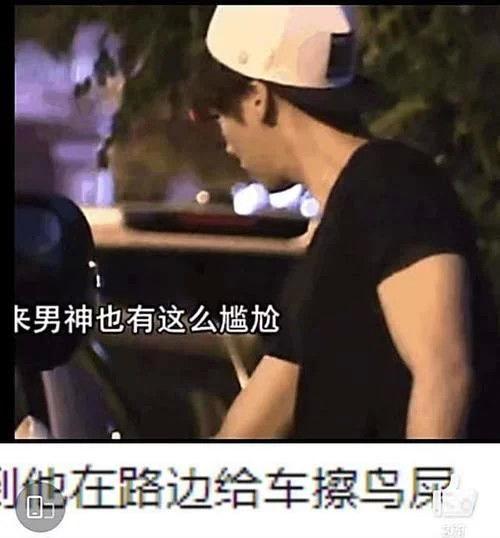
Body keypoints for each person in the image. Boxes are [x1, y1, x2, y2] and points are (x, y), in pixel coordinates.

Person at [189, 6, 500, 439]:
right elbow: (247, 432)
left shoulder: (390, 185)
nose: (224, 141)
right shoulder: (337, 234)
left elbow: (444, 373)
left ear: (257, 98)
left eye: (219, 113)